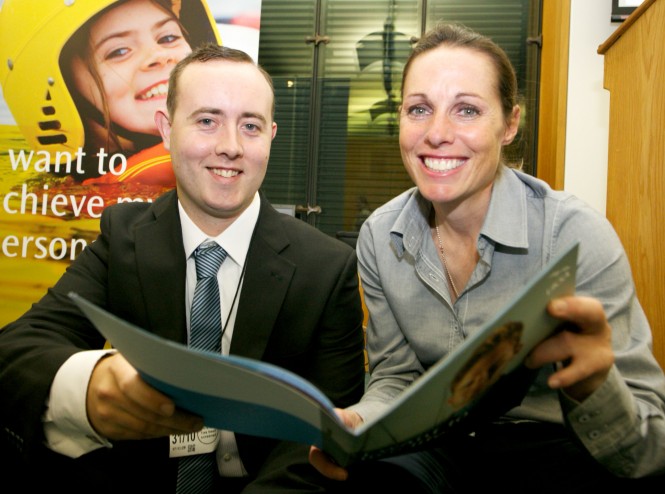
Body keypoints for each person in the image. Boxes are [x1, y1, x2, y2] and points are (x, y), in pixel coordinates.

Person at [309, 23, 665, 492]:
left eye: (467, 110)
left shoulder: (574, 236)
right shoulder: (380, 235)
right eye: (419, 109)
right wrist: (357, 424)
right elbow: (395, 379)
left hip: (552, 441)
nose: (437, 134)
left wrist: (594, 385)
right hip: (437, 445)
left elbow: (648, 449)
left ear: (509, 124)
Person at [0, 43, 366, 493]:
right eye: (207, 121)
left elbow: (328, 430)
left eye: (250, 126)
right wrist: (90, 387)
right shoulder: (124, 237)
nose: (230, 147)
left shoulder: (326, 268)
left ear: (271, 136)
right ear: (167, 129)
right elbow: (19, 350)